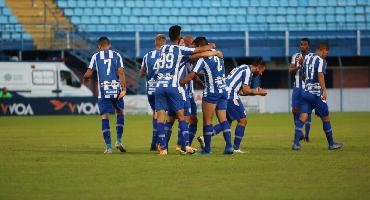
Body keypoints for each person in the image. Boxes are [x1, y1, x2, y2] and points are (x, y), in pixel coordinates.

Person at [155, 25, 216, 155]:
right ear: (179, 37)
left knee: (160, 117)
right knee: (182, 116)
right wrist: (212, 47)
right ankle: (186, 145)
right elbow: (200, 49)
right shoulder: (180, 49)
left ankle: (163, 148)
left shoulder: (162, 48)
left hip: (159, 84)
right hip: (173, 85)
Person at [180, 36, 233, 155]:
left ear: (199, 47)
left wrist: (180, 83)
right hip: (223, 90)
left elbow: (192, 74)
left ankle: (207, 149)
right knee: (223, 119)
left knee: (207, 120)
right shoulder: (217, 55)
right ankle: (229, 146)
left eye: (195, 47)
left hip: (212, 92)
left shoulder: (202, 60)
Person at [292, 42, 343, 150]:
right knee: (326, 117)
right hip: (315, 94)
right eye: (326, 53)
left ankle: (296, 143)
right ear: (323, 50)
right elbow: (320, 75)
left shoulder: (307, 57)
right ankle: (331, 143)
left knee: (303, 116)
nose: (326, 55)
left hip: (305, 92)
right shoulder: (321, 60)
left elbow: (303, 75)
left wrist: (307, 81)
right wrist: (324, 91)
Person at [211, 58, 267, 153]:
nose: (261, 74)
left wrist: (252, 91)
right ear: (258, 67)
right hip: (230, 95)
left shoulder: (242, 67)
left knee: (227, 122)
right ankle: (236, 148)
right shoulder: (248, 71)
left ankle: (205, 137)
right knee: (243, 120)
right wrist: (258, 92)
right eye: (262, 71)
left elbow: (241, 91)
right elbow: (246, 90)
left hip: (223, 93)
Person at [82, 36, 127, 154]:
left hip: (103, 91)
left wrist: (85, 78)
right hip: (116, 89)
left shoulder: (95, 57)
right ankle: (119, 140)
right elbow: (121, 73)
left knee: (105, 117)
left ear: (99, 46)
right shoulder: (117, 55)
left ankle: (109, 147)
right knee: (120, 112)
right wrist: (124, 89)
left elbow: (88, 73)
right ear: (109, 45)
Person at [140, 34, 167, 151]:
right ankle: (157, 142)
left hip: (150, 88)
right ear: (164, 43)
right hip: (162, 87)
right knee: (161, 114)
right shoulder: (167, 55)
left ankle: (154, 141)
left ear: (155, 43)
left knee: (155, 113)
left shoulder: (147, 56)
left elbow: (141, 73)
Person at [290, 38, 312, 142]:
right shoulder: (295, 56)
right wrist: (297, 67)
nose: (303, 46)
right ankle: (300, 133)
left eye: (305, 44)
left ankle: (307, 135)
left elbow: (313, 72)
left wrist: (304, 64)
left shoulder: (312, 57)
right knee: (295, 110)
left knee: (307, 111)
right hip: (297, 87)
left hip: (308, 87)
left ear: (308, 46)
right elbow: (291, 70)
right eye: (301, 44)